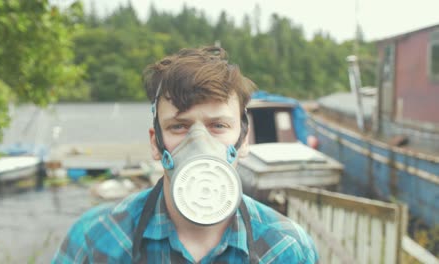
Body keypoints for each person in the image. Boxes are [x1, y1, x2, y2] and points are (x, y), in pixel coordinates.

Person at [52, 46, 319, 263]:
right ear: (156, 143)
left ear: (243, 140)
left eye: (218, 126)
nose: (200, 142)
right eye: (179, 126)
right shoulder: (97, 238)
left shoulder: (286, 248)